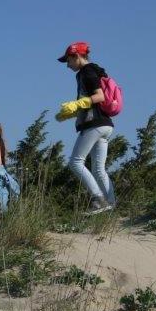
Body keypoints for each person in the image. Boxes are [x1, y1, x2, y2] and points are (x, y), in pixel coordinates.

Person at [55, 41, 116, 215]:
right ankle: (111, 204)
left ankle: (98, 198)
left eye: (68, 60)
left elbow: (99, 96)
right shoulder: (95, 70)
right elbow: (92, 101)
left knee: (75, 162)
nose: (67, 65)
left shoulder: (87, 71)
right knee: (98, 168)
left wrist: (77, 103)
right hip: (105, 124)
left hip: (94, 124)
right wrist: (71, 112)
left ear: (77, 56)